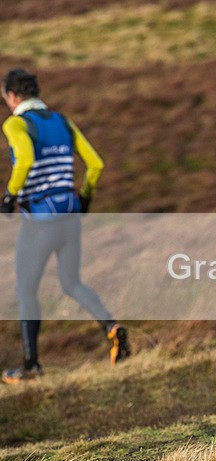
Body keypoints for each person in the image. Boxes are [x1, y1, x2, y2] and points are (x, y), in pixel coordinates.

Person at [0, 68, 130, 384]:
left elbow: (25, 159)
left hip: (40, 222)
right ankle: (111, 328)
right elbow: (95, 163)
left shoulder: (16, 123)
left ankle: (31, 366)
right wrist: (85, 198)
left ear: (13, 96)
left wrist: (9, 196)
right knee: (71, 282)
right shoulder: (63, 122)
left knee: (26, 290)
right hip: (70, 216)